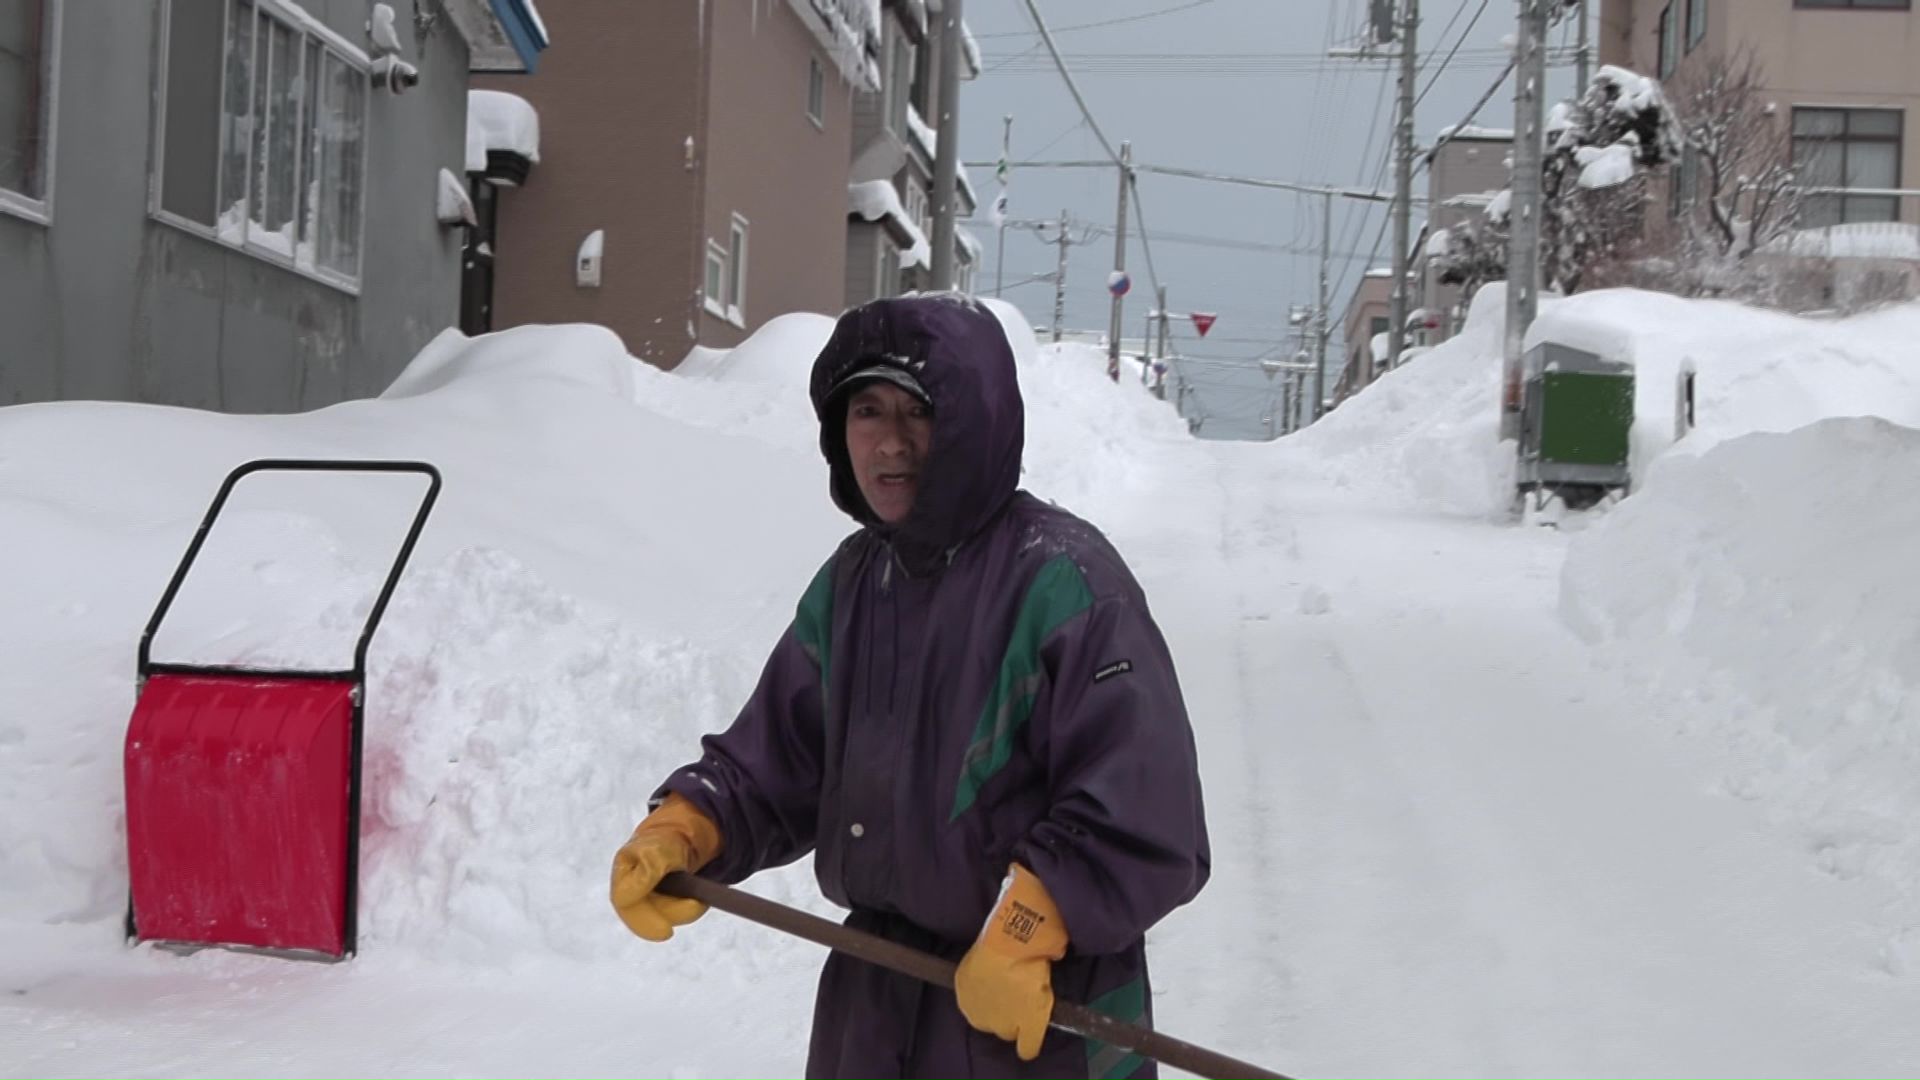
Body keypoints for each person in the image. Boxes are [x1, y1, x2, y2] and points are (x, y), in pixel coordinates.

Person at [610, 294, 1210, 1080]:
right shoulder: (857, 583)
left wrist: (1036, 919)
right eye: (867, 410)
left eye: (919, 411)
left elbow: (1148, 809)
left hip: (1038, 1014)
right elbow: (779, 758)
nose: (890, 443)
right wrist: (690, 822)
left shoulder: (1066, 584)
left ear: (972, 423)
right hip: (876, 1006)